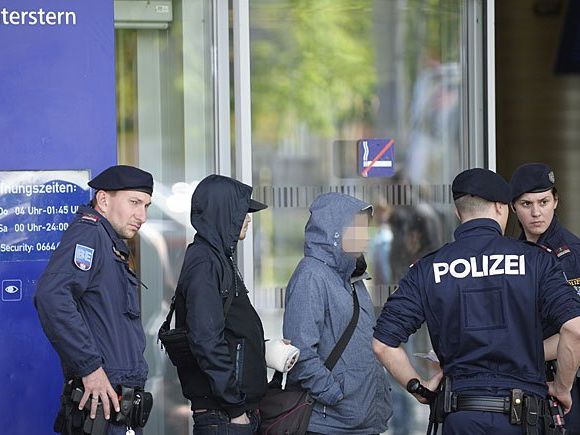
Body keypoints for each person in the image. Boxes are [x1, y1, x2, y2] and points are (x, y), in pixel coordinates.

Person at [372, 168, 580, 434]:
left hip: (461, 416)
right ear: (501, 207)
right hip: (522, 417)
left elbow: (382, 344)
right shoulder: (535, 260)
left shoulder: (429, 268)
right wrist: (562, 387)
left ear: (458, 214)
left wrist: (419, 387)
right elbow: (574, 328)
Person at [35, 165, 154, 435]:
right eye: (134, 202)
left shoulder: (108, 241)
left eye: (146, 206)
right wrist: (90, 368)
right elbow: (52, 295)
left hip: (117, 404)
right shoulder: (90, 234)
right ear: (103, 200)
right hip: (102, 403)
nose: (142, 216)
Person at [283, 192, 393, 435]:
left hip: (360, 421)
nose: (365, 237)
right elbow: (300, 353)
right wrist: (335, 395)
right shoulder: (311, 276)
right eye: (358, 229)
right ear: (335, 232)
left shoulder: (353, 276)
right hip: (329, 424)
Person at [172, 174, 268, 434]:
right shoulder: (205, 262)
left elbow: (230, 330)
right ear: (223, 213)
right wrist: (235, 408)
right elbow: (205, 339)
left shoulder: (217, 257)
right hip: (224, 416)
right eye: (241, 212)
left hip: (231, 412)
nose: (248, 218)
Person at [510, 162, 580, 433]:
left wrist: (512, 352)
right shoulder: (511, 253)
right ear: (513, 207)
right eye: (526, 204)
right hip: (525, 380)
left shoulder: (573, 255)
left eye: (544, 201)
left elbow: (575, 331)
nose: (537, 212)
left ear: (556, 201)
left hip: (568, 381)